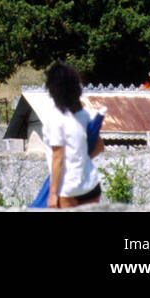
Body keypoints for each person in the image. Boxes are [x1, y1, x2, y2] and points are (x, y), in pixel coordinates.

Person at [42, 61, 104, 209]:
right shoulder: (82, 114)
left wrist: (52, 194)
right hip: (91, 184)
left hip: (68, 188)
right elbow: (99, 146)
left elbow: (58, 158)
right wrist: (81, 159)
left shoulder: (55, 118)